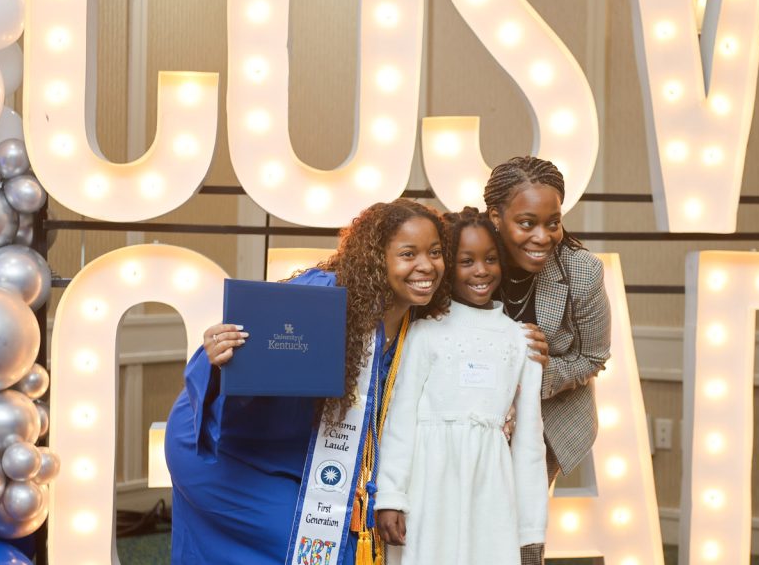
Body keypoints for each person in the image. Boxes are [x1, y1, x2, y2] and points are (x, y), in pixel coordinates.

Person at [164, 199, 451, 565]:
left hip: (297, 459)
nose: (426, 266)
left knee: (339, 549)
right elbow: (251, 345)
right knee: (318, 552)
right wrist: (221, 352)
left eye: (436, 252)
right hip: (223, 450)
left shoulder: (422, 320)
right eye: (408, 254)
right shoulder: (324, 296)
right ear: (377, 258)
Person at [374, 207, 548, 565]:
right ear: (447, 267)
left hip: (492, 492)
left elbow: (530, 439)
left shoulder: (521, 341)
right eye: (466, 261)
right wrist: (390, 496)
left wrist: (531, 529)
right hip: (427, 488)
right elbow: (400, 420)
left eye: (491, 259)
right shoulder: (424, 334)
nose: (481, 271)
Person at [483, 156, 612, 565]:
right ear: (496, 218)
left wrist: (542, 371)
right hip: (468, 417)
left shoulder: (582, 272)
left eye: (552, 222)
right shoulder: (466, 260)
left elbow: (594, 355)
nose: (543, 236)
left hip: (544, 424)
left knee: (523, 533)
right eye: (527, 223)